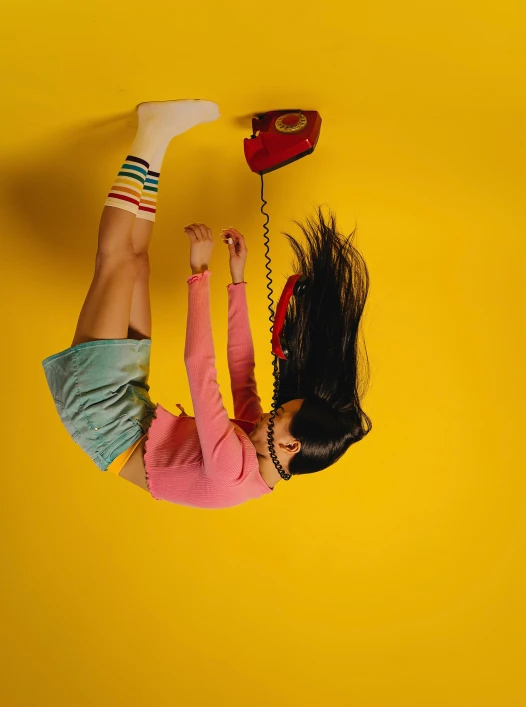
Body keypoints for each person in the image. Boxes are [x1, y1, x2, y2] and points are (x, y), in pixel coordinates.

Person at [42, 100, 372, 509]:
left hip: (100, 413)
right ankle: (156, 134)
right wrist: (237, 279)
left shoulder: (234, 470)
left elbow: (201, 370)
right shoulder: (260, 445)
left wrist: (200, 273)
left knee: (117, 263)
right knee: (138, 263)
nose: (272, 411)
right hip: (134, 405)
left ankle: (151, 134)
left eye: (281, 412)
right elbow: (240, 369)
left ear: (290, 443)